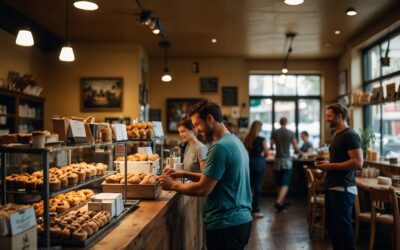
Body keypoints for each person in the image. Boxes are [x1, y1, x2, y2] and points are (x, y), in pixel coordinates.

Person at [159, 99, 252, 250]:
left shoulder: (219, 147)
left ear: (210, 119)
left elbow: (203, 189)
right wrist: (183, 173)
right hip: (240, 221)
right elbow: (214, 179)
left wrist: (172, 185)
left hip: (225, 224)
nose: (196, 129)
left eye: (197, 124)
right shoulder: (234, 141)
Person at [315, 103, 363, 250]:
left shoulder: (350, 135)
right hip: (333, 186)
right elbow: (341, 160)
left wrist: (330, 166)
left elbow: (358, 162)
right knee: (334, 228)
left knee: (343, 229)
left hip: (343, 188)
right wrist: (328, 164)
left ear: (340, 116)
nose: (327, 119)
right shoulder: (337, 134)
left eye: (329, 116)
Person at [270, 117, 300, 212]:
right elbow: (296, 147)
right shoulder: (291, 133)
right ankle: (279, 202)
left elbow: (271, 144)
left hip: (277, 160)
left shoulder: (274, 132)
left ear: (279, 122)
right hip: (287, 160)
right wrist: (300, 152)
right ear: (286, 122)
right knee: (285, 183)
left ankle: (281, 203)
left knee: (279, 182)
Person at [243, 121, 268, 218]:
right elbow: (266, 153)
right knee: (257, 186)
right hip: (259, 163)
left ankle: (247, 207)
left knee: (249, 186)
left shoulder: (247, 138)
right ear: (259, 128)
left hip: (249, 163)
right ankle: (256, 210)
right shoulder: (262, 139)